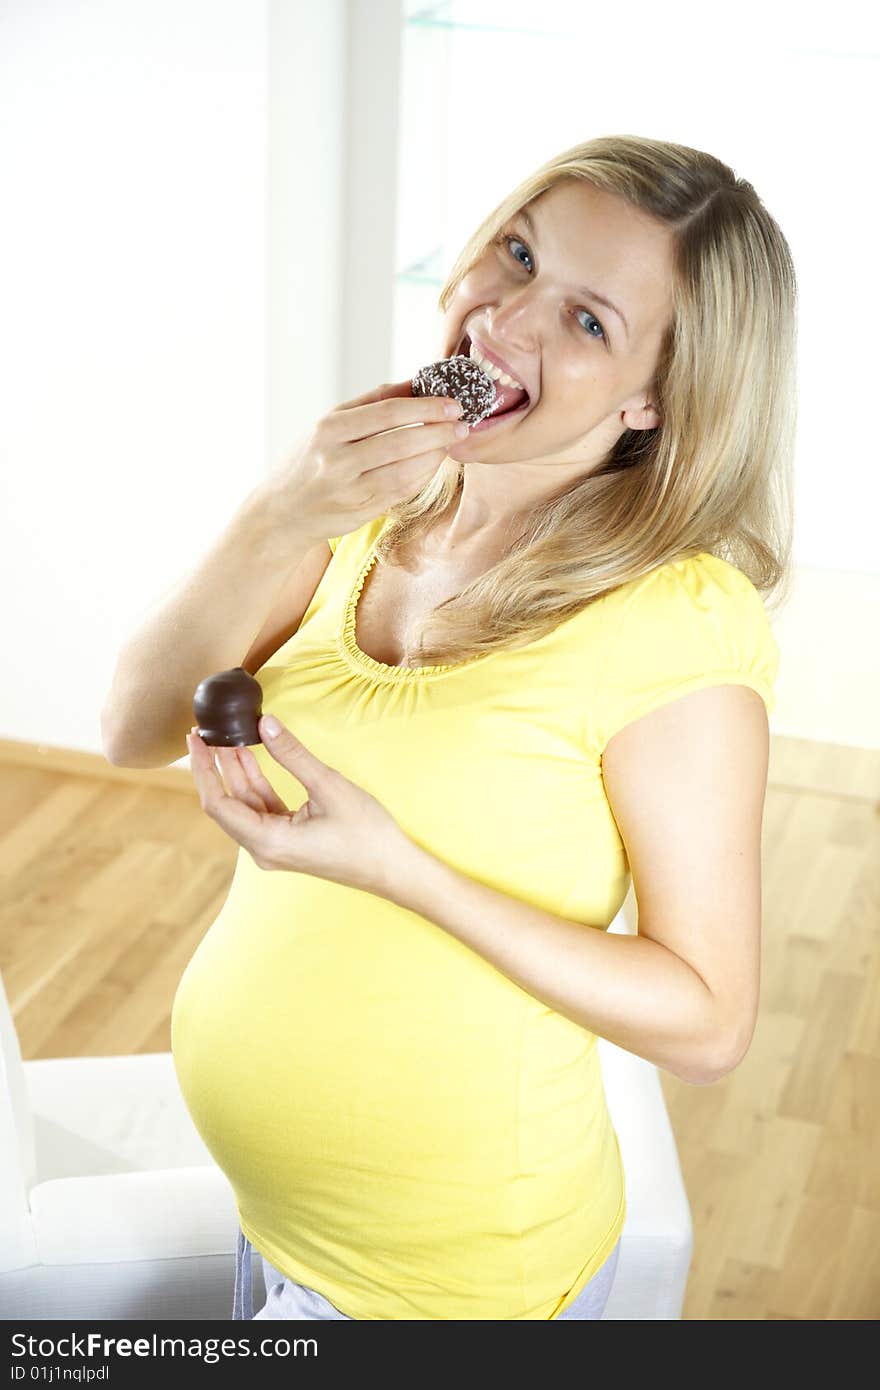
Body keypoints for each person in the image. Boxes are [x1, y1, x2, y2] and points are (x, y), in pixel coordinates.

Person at [114, 133, 795, 1319]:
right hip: (279, 1232)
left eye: (588, 321)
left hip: (451, 1285)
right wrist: (279, 508)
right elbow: (130, 727)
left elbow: (708, 1020)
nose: (506, 320)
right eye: (517, 255)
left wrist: (398, 869)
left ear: (654, 397)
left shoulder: (675, 620)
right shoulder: (367, 513)